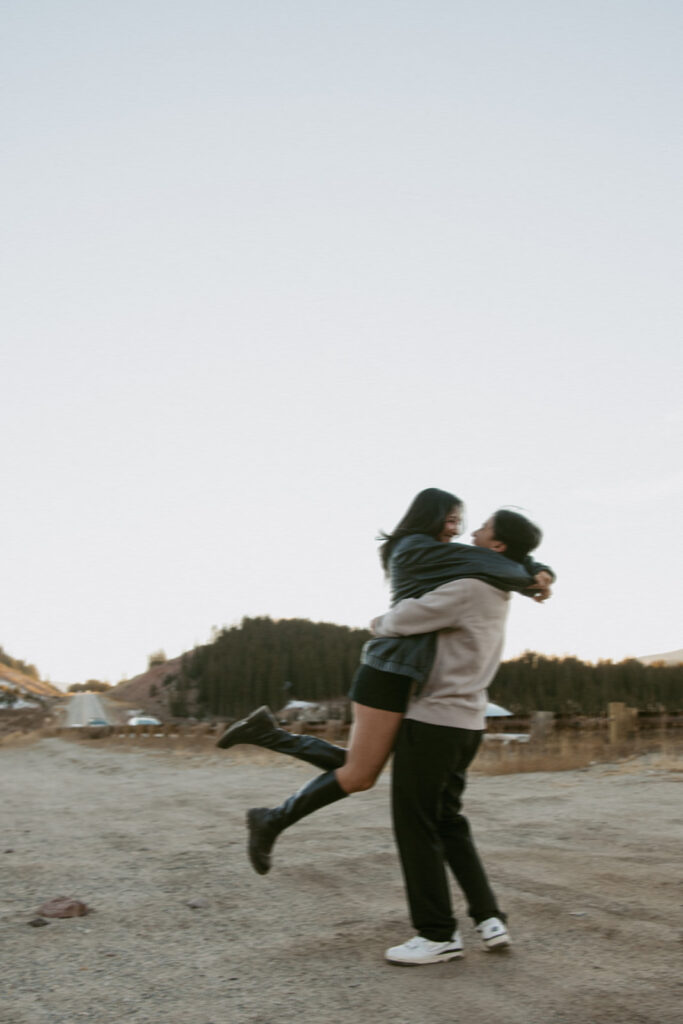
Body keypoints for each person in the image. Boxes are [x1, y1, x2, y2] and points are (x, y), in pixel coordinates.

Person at [216, 489, 553, 875]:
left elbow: (497, 560)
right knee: (360, 774)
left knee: (361, 766)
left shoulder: (442, 553)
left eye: (460, 521)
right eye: (450, 519)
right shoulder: (416, 548)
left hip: (406, 674)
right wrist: (535, 575)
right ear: (429, 515)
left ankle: (267, 741)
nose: (457, 528)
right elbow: (499, 563)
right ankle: (271, 816)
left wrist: (537, 569)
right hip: (389, 670)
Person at [378, 511, 545, 965]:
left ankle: (437, 934)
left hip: (434, 720)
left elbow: (401, 619)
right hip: (469, 723)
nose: (473, 531)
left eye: (484, 528)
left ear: (498, 546)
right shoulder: (498, 591)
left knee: (415, 824)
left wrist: (376, 623)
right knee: (448, 821)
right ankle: (489, 918)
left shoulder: (469, 588)